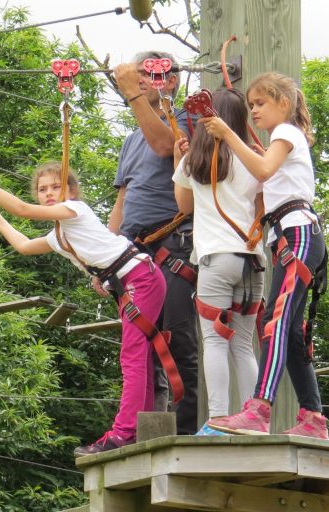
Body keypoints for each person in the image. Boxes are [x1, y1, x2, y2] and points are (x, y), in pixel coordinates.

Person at [0, 160, 166, 456]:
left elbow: (23, 210)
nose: (48, 193)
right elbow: (23, 245)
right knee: (138, 355)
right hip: (130, 284)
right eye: (43, 189)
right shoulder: (58, 237)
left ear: (71, 191)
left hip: (139, 277)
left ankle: (124, 432)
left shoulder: (76, 210)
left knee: (132, 355)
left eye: (55, 187)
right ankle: (138, 427)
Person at [201, 72, 329, 439]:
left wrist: (227, 133)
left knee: (274, 320)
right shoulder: (284, 139)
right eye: (251, 104)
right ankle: (313, 419)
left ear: (283, 104)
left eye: (260, 103)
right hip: (293, 236)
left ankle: (259, 410)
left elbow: (262, 169)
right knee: (288, 327)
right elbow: (264, 168)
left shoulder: (285, 133)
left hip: (297, 233)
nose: (254, 110)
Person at [109, 51, 199, 434]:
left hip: (172, 243)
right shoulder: (131, 140)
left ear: (170, 80)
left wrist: (132, 94)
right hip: (133, 254)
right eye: (138, 76)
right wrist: (106, 258)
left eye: (150, 75)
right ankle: (143, 429)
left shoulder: (184, 122)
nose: (142, 81)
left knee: (177, 339)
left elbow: (165, 146)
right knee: (140, 347)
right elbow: (123, 199)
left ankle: (187, 429)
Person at [172, 88, 265, 435]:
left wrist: (181, 158)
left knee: (214, 340)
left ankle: (218, 420)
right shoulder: (252, 158)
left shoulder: (193, 161)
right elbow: (263, 205)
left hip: (216, 259)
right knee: (243, 344)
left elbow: (183, 206)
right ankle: (253, 419)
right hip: (252, 260)